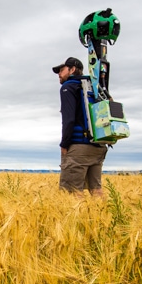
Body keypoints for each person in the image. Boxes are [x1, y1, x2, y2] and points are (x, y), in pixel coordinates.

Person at [52, 56, 107, 195]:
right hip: (98, 145)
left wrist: (64, 144)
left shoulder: (68, 87)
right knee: (96, 189)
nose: (59, 73)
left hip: (78, 147)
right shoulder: (93, 87)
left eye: (62, 70)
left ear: (72, 69)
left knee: (72, 192)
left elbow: (69, 119)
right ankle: (102, 216)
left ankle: (78, 217)